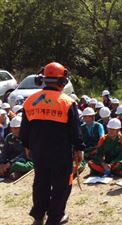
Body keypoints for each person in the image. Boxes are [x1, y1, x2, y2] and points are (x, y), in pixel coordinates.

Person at [20, 62, 84, 225]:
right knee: (62, 185)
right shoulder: (67, 102)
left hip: (38, 152)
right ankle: (55, 217)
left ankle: (38, 216)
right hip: (60, 154)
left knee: (41, 183)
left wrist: (27, 146)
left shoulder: (30, 101)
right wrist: (79, 148)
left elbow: (24, 129)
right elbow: (75, 130)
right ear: (62, 81)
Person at [80, 107, 105, 172]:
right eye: (85, 117)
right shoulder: (81, 127)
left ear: (93, 117)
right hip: (86, 150)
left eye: (88, 117)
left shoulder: (99, 126)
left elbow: (102, 139)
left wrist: (97, 149)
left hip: (97, 149)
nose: (86, 119)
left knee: (100, 156)